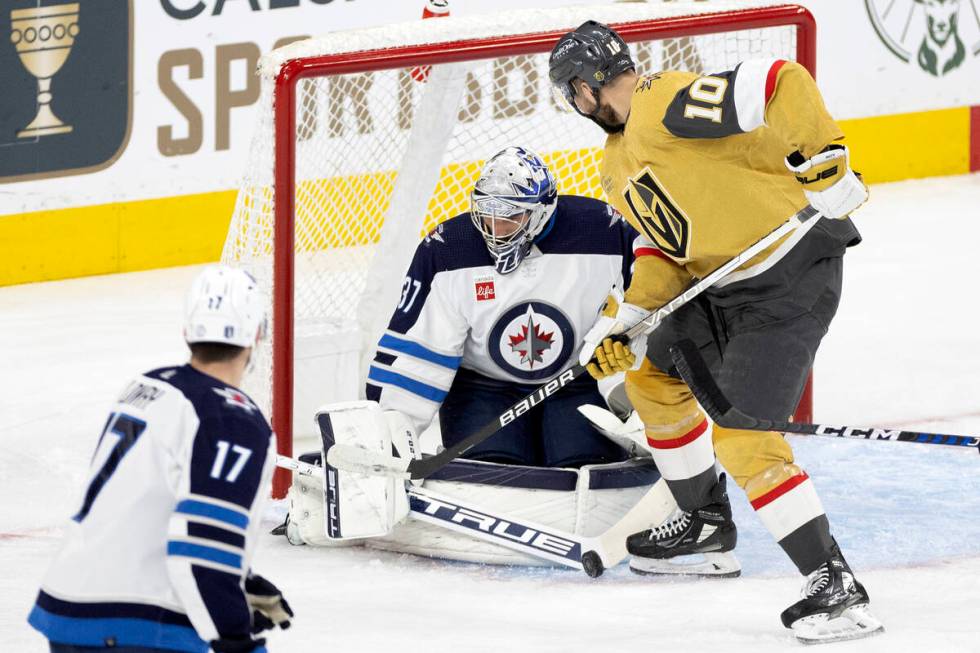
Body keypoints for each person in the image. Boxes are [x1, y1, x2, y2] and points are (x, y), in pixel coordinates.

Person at [549, 21, 882, 643]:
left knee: (740, 433)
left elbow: (779, 80)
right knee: (648, 378)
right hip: (720, 288)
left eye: (571, 94)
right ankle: (704, 520)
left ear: (587, 85)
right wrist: (630, 320)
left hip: (789, 276)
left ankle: (836, 585)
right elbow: (662, 246)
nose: (575, 107)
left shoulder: (662, 102)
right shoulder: (614, 160)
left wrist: (826, 164)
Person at [27, 266, 293, 653]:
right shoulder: (233, 418)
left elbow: (143, 503)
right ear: (257, 333)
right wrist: (238, 639)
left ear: (188, 331)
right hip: (135, 625)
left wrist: (239, 581)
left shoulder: (146, 385)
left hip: (68, 611)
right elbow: (203, 549)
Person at [365, 145, 639, 468]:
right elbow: (419, 352)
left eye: (510, 216)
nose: (496, 228)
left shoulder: (605, 235)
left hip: (576, 381)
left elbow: (641, 311)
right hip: (483, 388)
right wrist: (389, 432)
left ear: (541, 211)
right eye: (487, 212)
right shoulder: (448, 253)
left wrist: (637, 393)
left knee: (589, 464)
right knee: (490, 475)